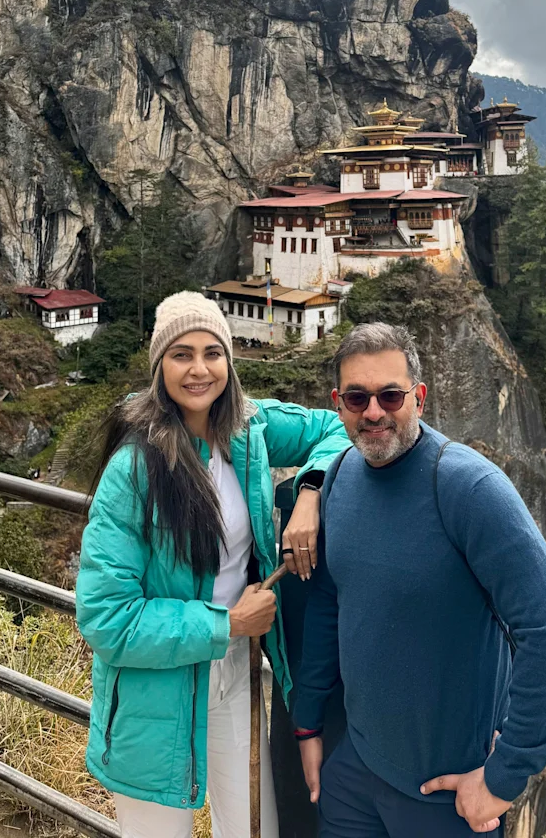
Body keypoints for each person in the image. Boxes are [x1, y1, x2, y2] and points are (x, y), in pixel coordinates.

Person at [292, 322, 546, 837]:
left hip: (445, 795)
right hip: (355, 773)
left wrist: (502, 777)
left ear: (419, 398)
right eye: (358, 398)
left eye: (391, 395)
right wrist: (308, 721)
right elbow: (330, 603)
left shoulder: (469, 488)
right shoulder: (339, 476)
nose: (375, 411)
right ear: (339, 405)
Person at [76, 291, 349, 838]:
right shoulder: (135, 469)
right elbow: (106, 618)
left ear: (229, 359)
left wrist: (310, 492)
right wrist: (226, 624)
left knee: (254, 829)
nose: (199, 369)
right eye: (181, 354)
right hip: (156, 690)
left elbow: (335, 427)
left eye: (211, 352)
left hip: (235, 673)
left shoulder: (249, 431)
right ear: (159, 368)